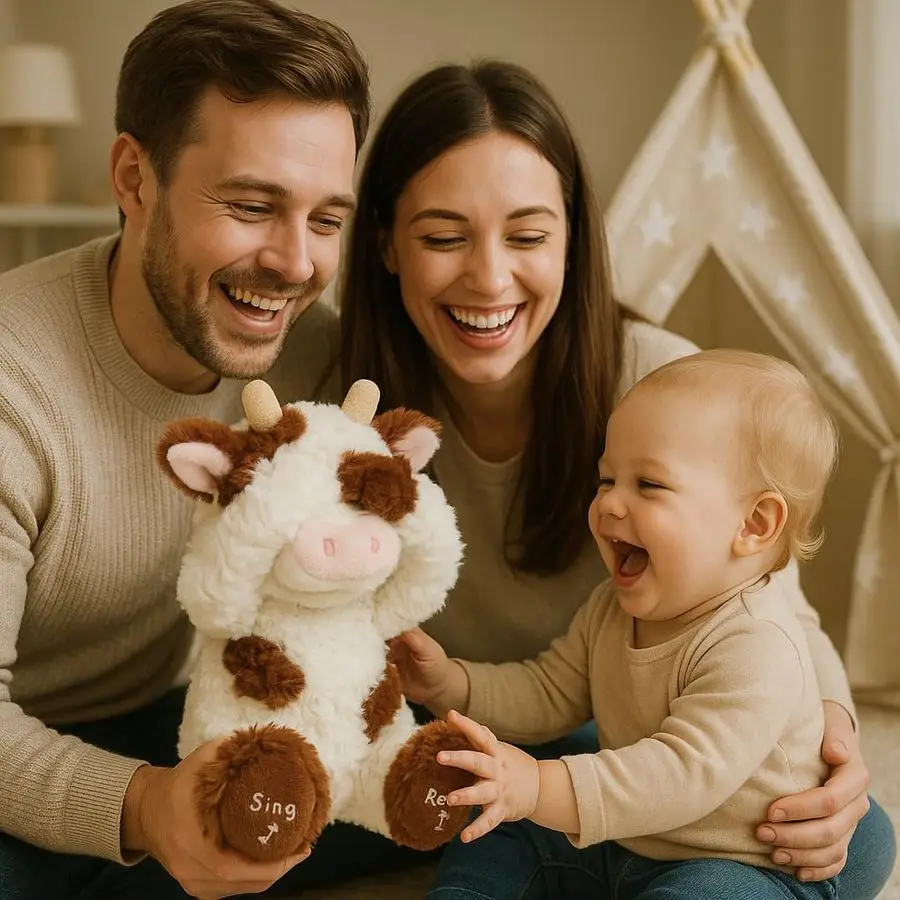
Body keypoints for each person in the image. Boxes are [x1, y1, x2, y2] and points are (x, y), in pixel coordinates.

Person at [338, 60, 897, 896]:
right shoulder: (346, 395)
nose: (490, 278)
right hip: (503, 740)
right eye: (444, 237)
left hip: (655, 776)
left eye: (528, 236)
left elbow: (780, 616)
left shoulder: (662, 393)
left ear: (572, 236)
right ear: (385, 242)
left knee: (837, 845)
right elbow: (550, 686)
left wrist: (837, 743)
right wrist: (449, 686)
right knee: (465, 840)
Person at [0, 1, 387, 898]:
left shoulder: (324, 359)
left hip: (185, 719)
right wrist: (143, 807)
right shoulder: (16, 390)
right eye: (252, 206)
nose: (294, 263)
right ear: (134, 177)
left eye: (326, 220)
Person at [393, 349, 869, 898]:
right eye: (606, 479)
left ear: (754, 524)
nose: (610, 504)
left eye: (649, 486)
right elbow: (549, 690)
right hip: (623, 835)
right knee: (499, 827)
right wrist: (447, 683)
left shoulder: (755, 645)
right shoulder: (609, 608)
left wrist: (537, 784)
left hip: (736, 858)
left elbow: (678, 774)